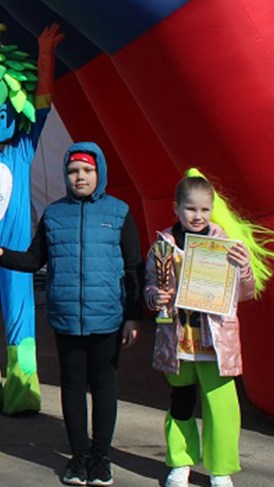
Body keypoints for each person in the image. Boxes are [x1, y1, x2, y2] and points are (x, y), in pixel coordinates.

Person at [0, 142, 142, 486]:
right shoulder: (55, 214)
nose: (80, 177)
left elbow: (134, 266)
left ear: (99, 173)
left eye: (87, 170)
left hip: (107, 317)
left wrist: (133, 315)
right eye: (73, 171)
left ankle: (101, 458)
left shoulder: (119, 212)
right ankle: (78, 458)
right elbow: (34, 260)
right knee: (73, 387)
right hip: (66, 317)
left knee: (104, 387)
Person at [147, 175, 257, 487]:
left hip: (216, 343)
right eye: (190, 208)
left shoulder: (228, 245)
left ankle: (220, 469)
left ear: (212, 210)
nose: (198, 216)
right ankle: (180, 463)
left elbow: (246, 294)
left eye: (205, 209)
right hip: (178, 341)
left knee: (222, 407)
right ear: (176, 208)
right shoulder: (163, 245)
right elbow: (150, 284)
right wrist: (154, 296)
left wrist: (243, 268)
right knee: (181, 403)